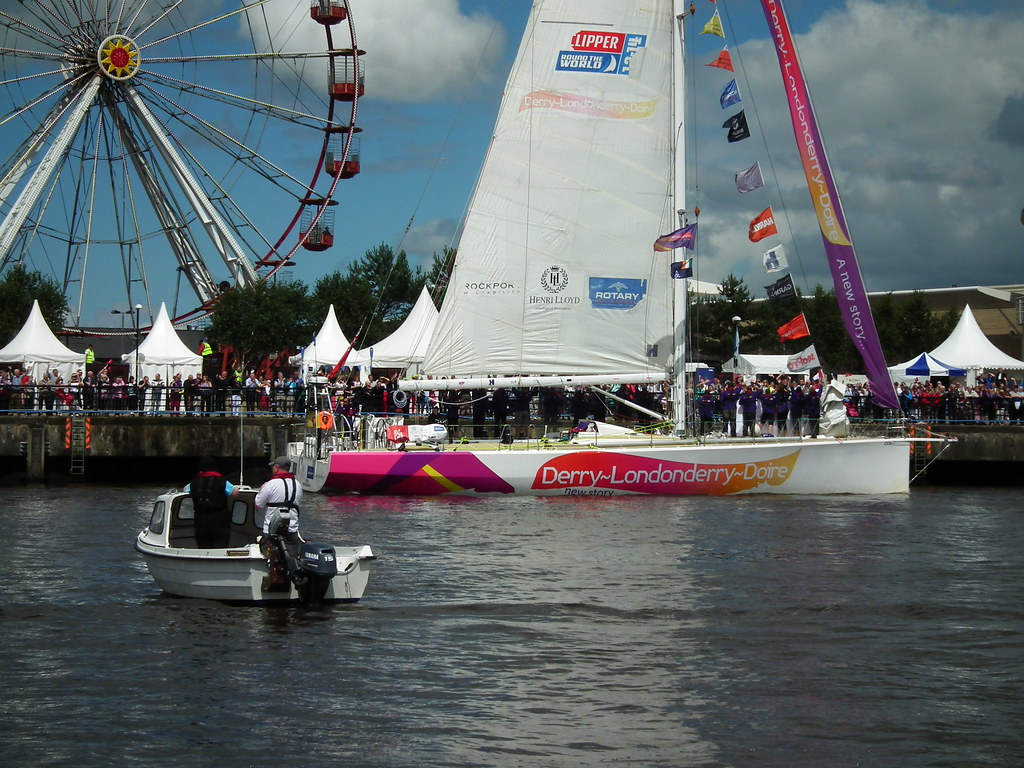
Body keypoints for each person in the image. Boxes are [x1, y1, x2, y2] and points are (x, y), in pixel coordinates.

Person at [185, 456, 238, 548]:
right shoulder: (222, 482)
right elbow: (234, 493)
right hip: (220, 523)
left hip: (200, 523)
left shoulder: (193, 483)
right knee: (219, 549)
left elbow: (185, 490)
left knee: (203, 549)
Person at [254, 456, 302, 545]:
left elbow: (258, 504)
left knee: (271, 556)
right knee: (292, 555)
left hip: (271, 531)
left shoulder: (270, 484)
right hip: (292, 530)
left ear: (276, 468)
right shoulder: (297, 485)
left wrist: (261, 490)